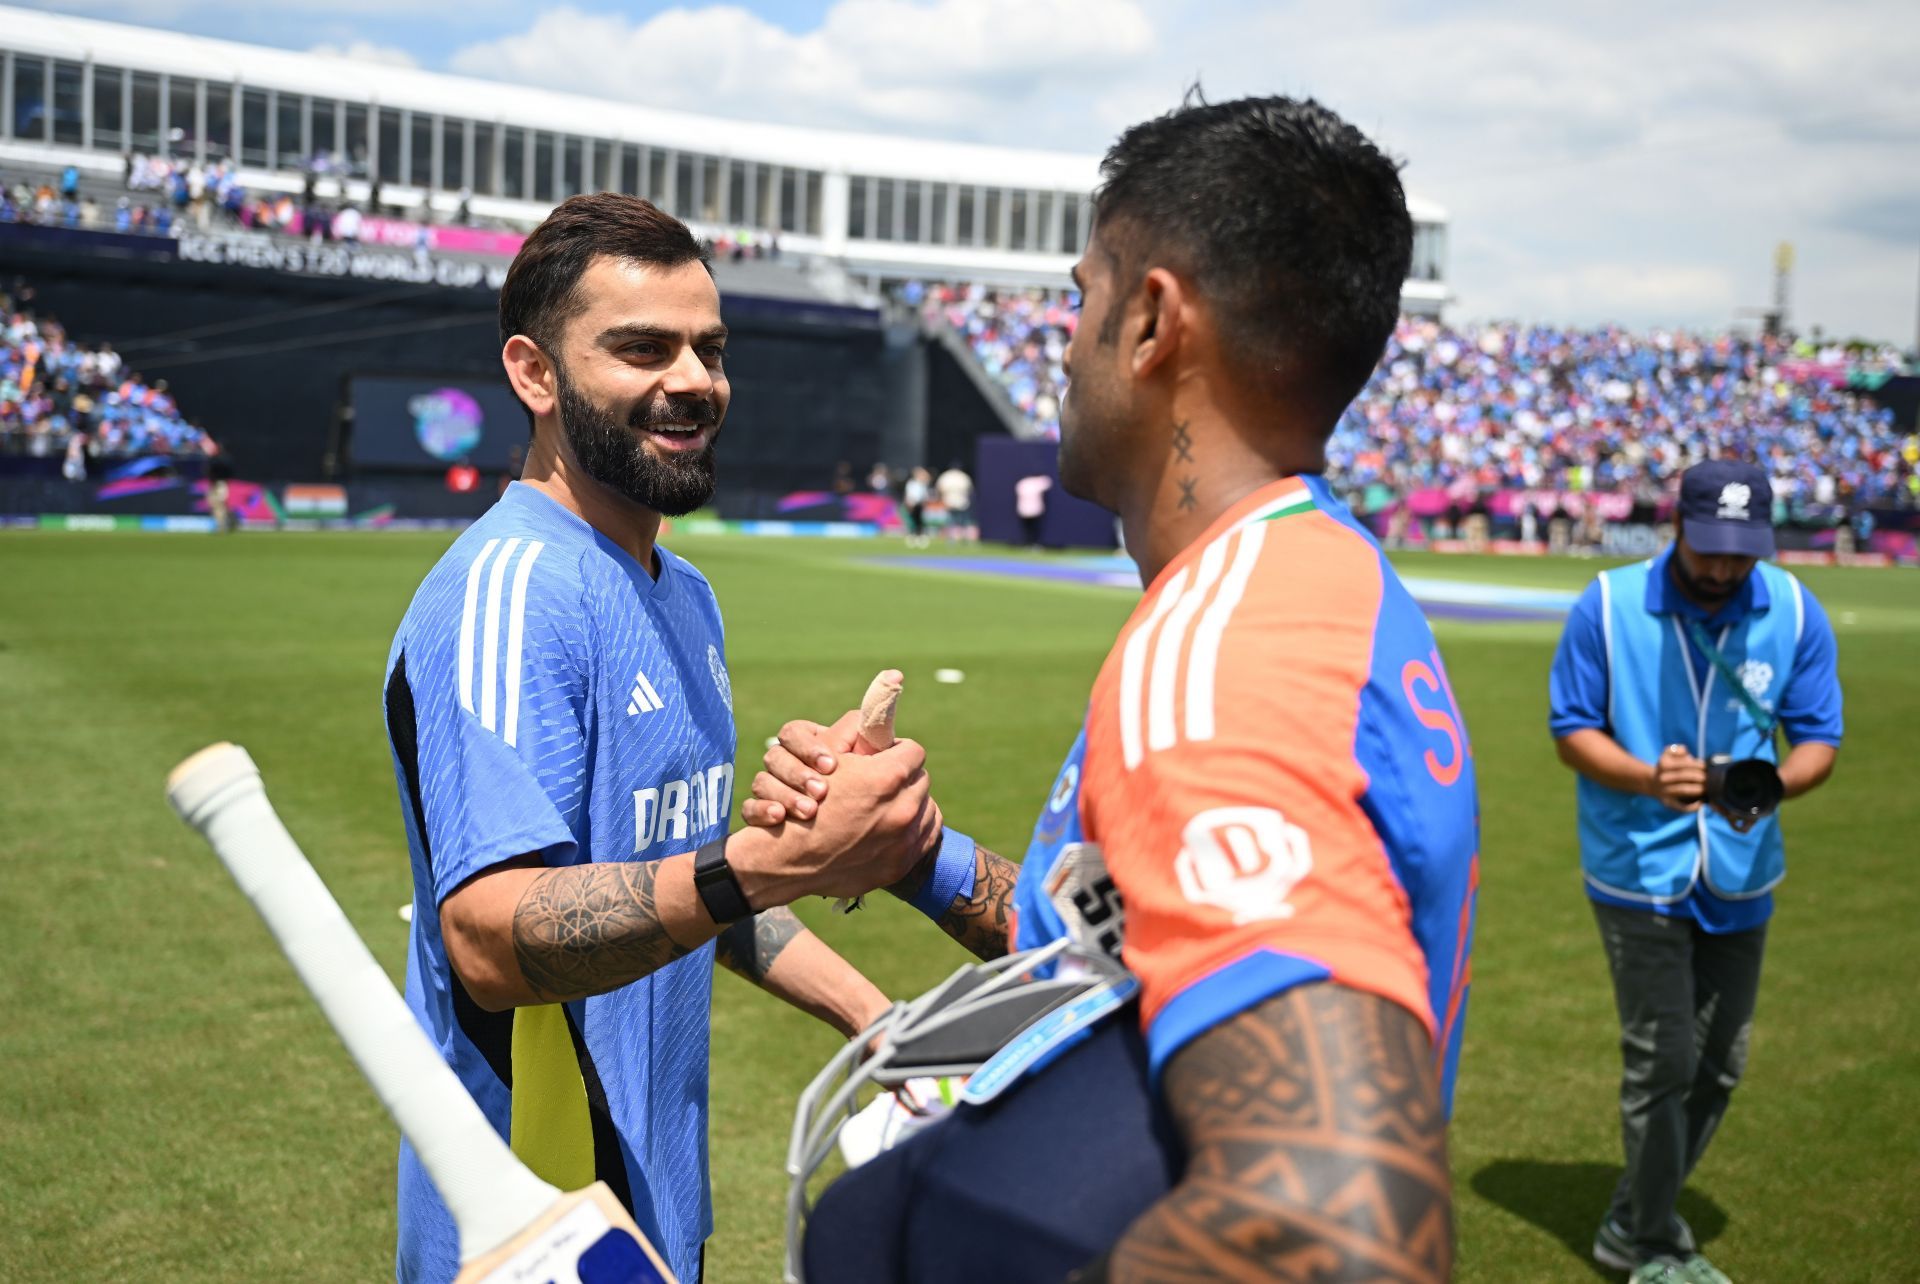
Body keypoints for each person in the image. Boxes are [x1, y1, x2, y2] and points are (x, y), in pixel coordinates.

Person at [747, 92, 1480, 1283]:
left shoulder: (1226, 655)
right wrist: (914, 854)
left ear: (1150, 323)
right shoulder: (1316, 580)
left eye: (1080, 295)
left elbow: (1341, 1230)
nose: (1066, 336)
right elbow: (1127, 955)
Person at [380, 192, 943, 1284]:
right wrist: (760, 865)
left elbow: (672, 889)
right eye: (642, 347)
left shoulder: (684, 594)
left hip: (653, 1206)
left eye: (710, 349)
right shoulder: (513, 589)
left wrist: (876, 1018)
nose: (693, 380)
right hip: (533, 1224)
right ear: (535, 375)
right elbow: (491, 941)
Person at [1548, 459, 1841, 1284]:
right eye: (1708, 548)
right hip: (1636, 867)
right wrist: (1647, 776)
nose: (1721, 569)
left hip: (1743, 869)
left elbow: (1820, 735)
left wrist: (1775, 783)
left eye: (1740, 553)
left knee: (1721, 1064)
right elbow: (1571, 728)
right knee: (1663, 1060)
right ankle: (1646, 1242)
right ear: (1676, 524)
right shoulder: (1606, 606)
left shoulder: (1792, 607)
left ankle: (1632, 1212)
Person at [934, 461, 975, 542]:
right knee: (961, 521)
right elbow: (970, 490)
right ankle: (963, 538)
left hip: (950, 501)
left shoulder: (946, 476)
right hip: (961, 502)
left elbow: (939, 489)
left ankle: (952, 539)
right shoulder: (963, 476)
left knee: (952, 521)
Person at [1013, 471, 1051, 546]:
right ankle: (1031, 543)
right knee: (1032, 528)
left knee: (1031, 528)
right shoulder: (1034, 484)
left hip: (1027, 510)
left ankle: (1031, 543)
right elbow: (1047, 482)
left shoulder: (1023, 483)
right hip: (1030, 510)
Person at [901, 466, 931, 548]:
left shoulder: (922, 484)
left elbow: (924, 494)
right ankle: (911, 536)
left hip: (920, 504)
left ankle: (919, 537)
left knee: (919, 522)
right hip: (912, 504)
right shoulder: (911, 483)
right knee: (912, 521)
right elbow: (909, 495)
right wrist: (909, 504)